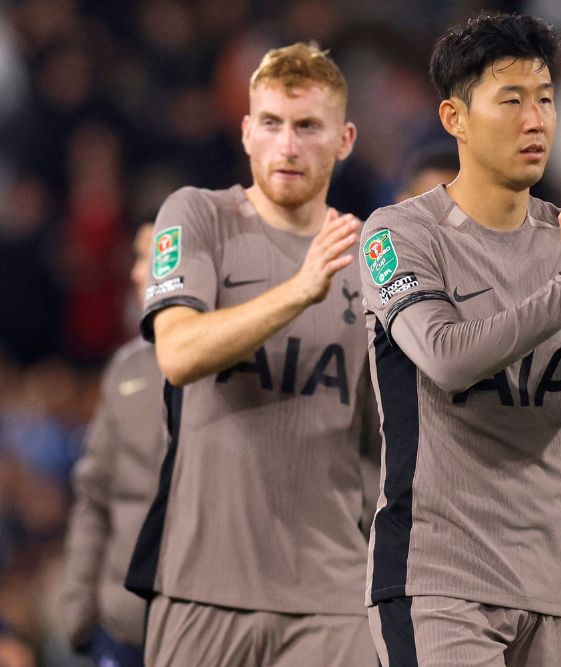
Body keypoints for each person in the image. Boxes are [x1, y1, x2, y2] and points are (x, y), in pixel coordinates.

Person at [359, 12, 561, 666]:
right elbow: (447, 357)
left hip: (548, 584)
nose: (537, 120)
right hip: (437, 578)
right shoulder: (399, 234)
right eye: (512, 100)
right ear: (455, 118)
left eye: (547, 99)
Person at [126, 42, 379, 666]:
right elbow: (179, 353)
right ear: (245, 132)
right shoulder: (196, 217)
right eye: (271, 124)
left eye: (307, 127)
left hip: (333, 598)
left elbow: (386, 435)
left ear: (344, 139)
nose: (287, 147)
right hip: (201, 588)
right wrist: (299, 291)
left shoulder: (372, 259)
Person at [61, 224, 163, 666]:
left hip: (206, 634)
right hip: (121, 633)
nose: (139, 275)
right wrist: (81, 616)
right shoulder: (126, 370)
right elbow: (93, 497)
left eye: (153, 261)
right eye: (136, 261)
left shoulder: (244, 370)